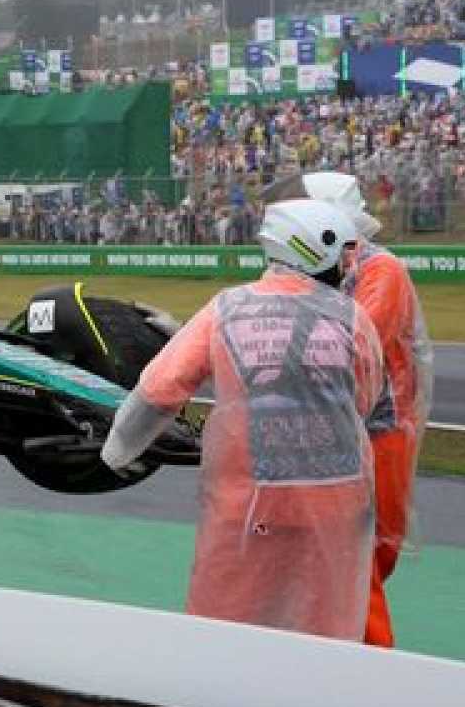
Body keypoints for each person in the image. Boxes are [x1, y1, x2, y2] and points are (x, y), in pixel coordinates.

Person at [100, 199, 387, 640]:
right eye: (343, 251)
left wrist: (116, 452)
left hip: (249, 507)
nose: (349, 264)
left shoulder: (227, 308)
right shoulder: (356, 319)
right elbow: (366, 402)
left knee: (224, 634)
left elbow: (159, 389)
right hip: (337, 505)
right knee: (328, 637)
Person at [273, 170, 434, 648]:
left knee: (367, 557)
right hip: (331, 430)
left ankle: (365, 668)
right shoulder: (316, 270)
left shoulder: (382, 270)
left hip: (378, 433)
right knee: (345, 561)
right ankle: (345, 652)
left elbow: (357, 343)